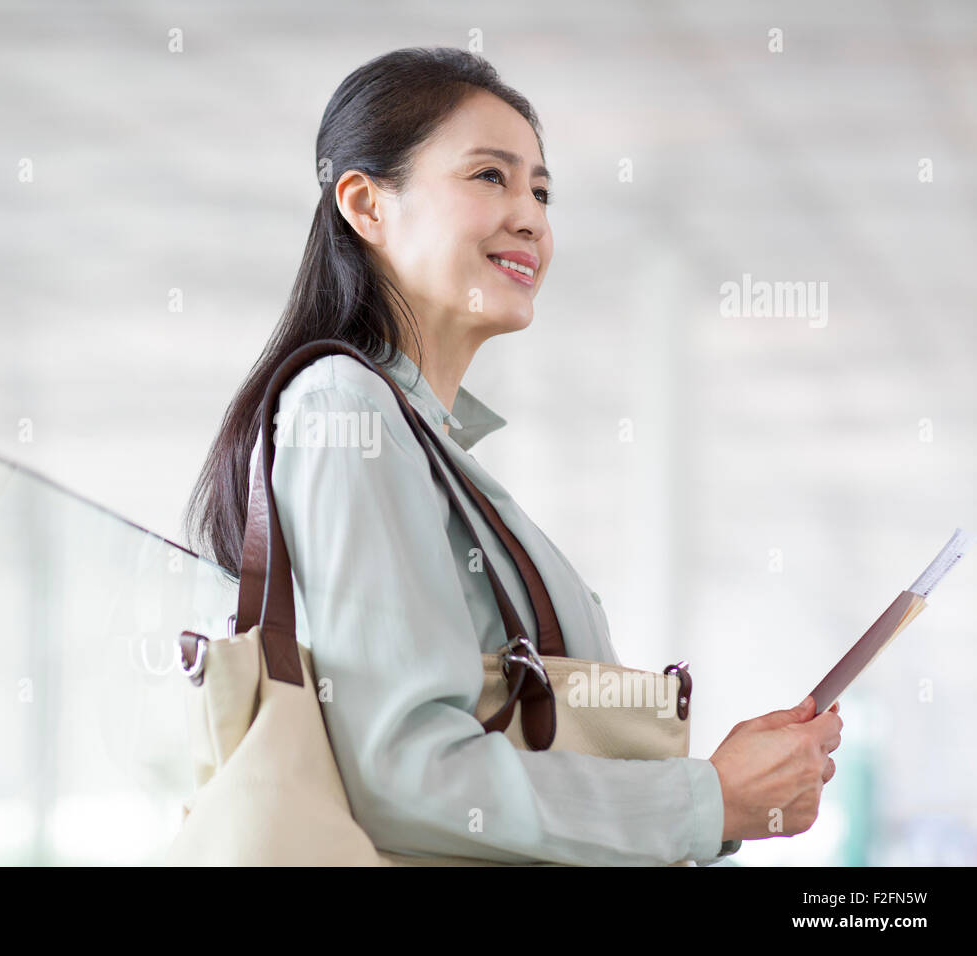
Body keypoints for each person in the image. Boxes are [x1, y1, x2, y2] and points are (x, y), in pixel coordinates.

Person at [185, 46, 842, 865]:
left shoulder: (418, 441)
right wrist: (708, 797)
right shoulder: (343, 408)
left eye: (540, 189)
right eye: (489, 177)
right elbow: (406, 774)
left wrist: (723, 792)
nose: (531, 216)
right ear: (365, 204)